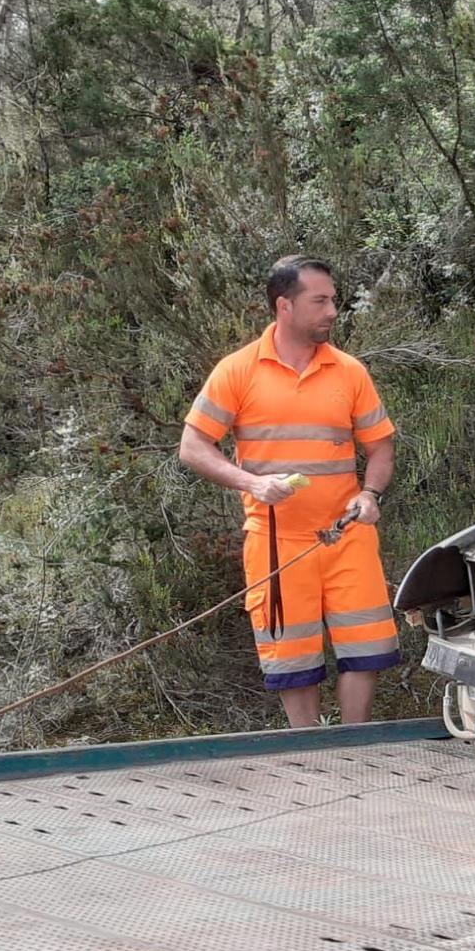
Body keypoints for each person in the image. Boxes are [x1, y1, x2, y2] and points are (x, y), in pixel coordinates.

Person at [179, 255, 400, 727]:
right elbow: (193, 447)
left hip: (347, 536)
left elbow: (380, 447)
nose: (332, 311)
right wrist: (252, 482)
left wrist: (371, 494)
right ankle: (311, 753)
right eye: (320, 301)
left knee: (367, 649)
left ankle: (352, 745)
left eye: (333, 300)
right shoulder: (237, 370)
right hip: (276, 541)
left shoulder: (349, 371)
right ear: (285, 306)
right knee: (291, 658)